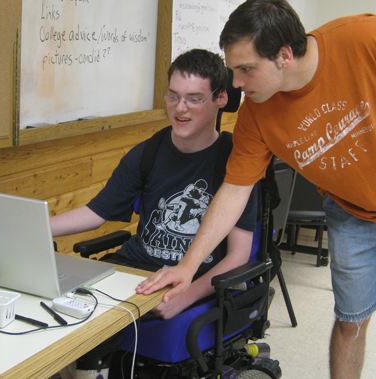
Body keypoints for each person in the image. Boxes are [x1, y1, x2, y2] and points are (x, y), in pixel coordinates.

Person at [137, 1, 376, 378]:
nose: (235, 84)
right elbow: (234, 190)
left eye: (245, 69)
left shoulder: (362, 39)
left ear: (284, 55)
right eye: (233, 70)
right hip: (353, 214)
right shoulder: (255, 114)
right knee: (351, 321)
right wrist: (188, 265)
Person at [51, 48, 260, 379]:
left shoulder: (235, 162)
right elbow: (96, 212)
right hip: (132, 268)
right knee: (56, 310)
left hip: (187, 278)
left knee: (93, 335)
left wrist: (186, 295)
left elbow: (238, 256)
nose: (180, 109)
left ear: (220, 99)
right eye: (173, 96)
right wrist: (38, 228)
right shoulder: (148, 151)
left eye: (194, 99)